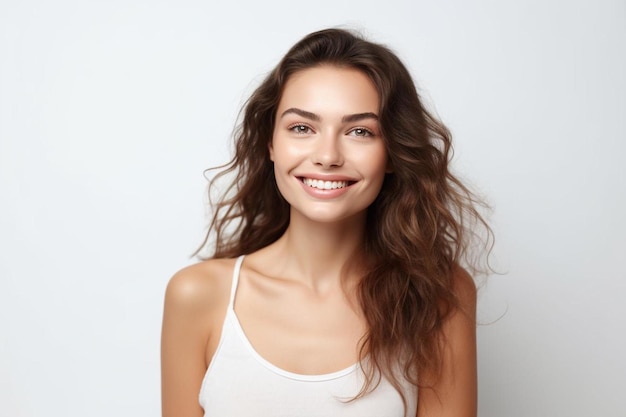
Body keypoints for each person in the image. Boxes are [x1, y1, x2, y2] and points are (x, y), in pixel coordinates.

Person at [161, 28, 491, 417]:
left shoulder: (436, 295)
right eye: (302, 127)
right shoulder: (197, 296)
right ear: (271, 143)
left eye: (359, 131)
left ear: (393, 153)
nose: (328, 155)